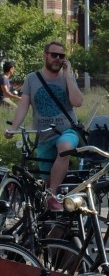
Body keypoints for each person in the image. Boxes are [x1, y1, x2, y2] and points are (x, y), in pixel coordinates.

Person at [3, 41, 84, 211]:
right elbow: (24, 106)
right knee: (44, 182)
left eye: (61, 56)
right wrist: (14, 128)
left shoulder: (67, 78)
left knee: (64, 147)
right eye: (54, 55)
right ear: (45, 56)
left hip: (67, 129)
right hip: (44, 135)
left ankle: (53, 196)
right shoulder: (32, 78)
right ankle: (47, 223)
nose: (58, 59)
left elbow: (77, 102)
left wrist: (69, 75)